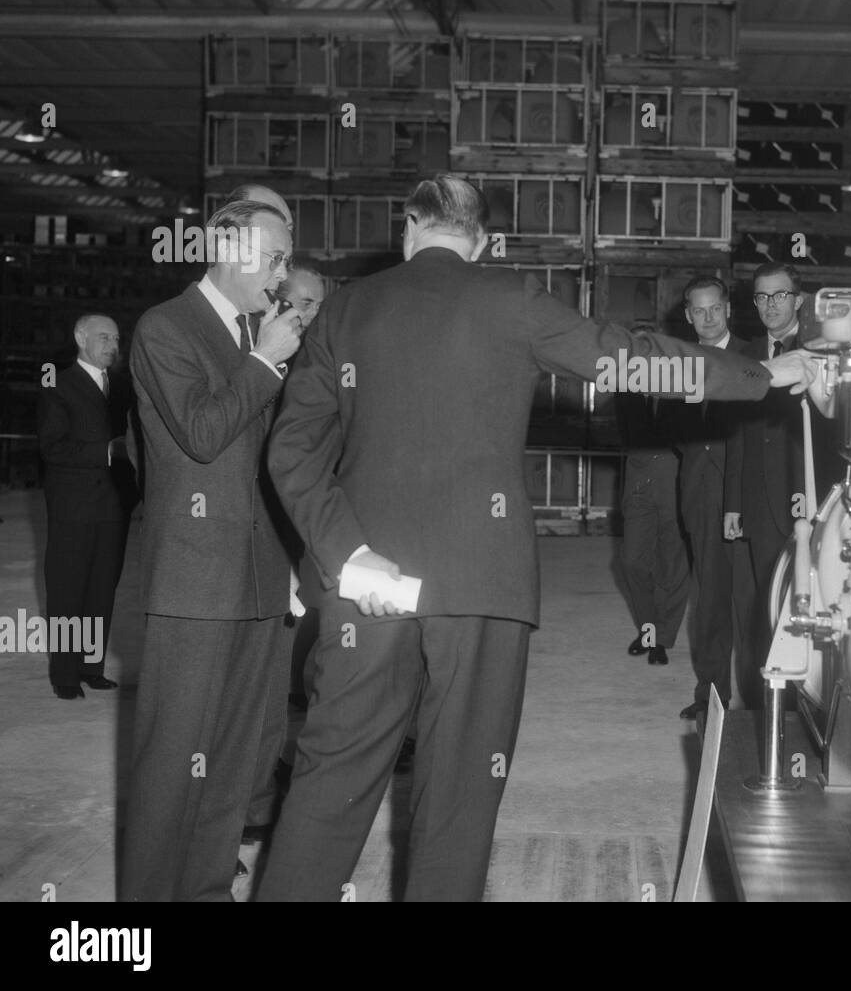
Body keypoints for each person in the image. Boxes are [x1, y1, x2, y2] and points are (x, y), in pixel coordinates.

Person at [257, 174, 816, 901]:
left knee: (330, 777)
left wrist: (348, 554)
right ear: (482, 243)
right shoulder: (511, 300)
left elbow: (290, 453)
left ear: (407, 231)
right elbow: (631, 356)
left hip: (365, 588)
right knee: (459, 792)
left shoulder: (344, 310)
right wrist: (762, 373)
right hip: (483, 583)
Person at [119, 198, 303, 901]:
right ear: (231, 248)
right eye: (276, 257)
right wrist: (263, 362)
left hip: (256, 579)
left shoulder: (251, 333)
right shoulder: (166, 327)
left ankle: (203, 890)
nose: (283, 275)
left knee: (231, 760)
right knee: (172, 762)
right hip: (194, 582)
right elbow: (200, 433)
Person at [724, 263, 812, 710]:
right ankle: (768, 710)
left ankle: (805, 707)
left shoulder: (818, 350)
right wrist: (734, 503)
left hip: (808, 502)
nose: (769, 305)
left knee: (806, 608)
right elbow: (738, 434)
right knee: (766, 610)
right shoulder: (748, 355)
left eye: (779, 296)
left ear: (798, 300)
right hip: (759, 504)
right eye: (761, 297)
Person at [36, 314, 137, 699]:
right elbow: (52, 447)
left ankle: (90, 666)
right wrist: (108, 450)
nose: (112, 344)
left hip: (113, 506)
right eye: (103, 337)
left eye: (115, 337)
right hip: (73, 508)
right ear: (80, 338)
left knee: (101, 591)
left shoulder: (124, 386)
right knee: (67, 592)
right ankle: (64, 675)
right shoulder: (56, 385)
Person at [669, 277, 752, 719]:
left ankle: (763, 701)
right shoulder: (677, 362)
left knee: (754, 599)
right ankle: (713, 697)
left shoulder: (751, 356)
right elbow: (672, 428)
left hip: (751, 492)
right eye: (698, 311)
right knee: (710, 600)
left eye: (714, 309)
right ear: (688, 315)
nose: (707, 318)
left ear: (728, 310)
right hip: (700, 493)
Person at [617, 378, 690, 667]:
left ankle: (660, 639)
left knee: (672, 563)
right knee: (632, 560)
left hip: (675, 471)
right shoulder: (623, 387)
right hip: (638, 474)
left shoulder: (680, 381)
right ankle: (647, 629)